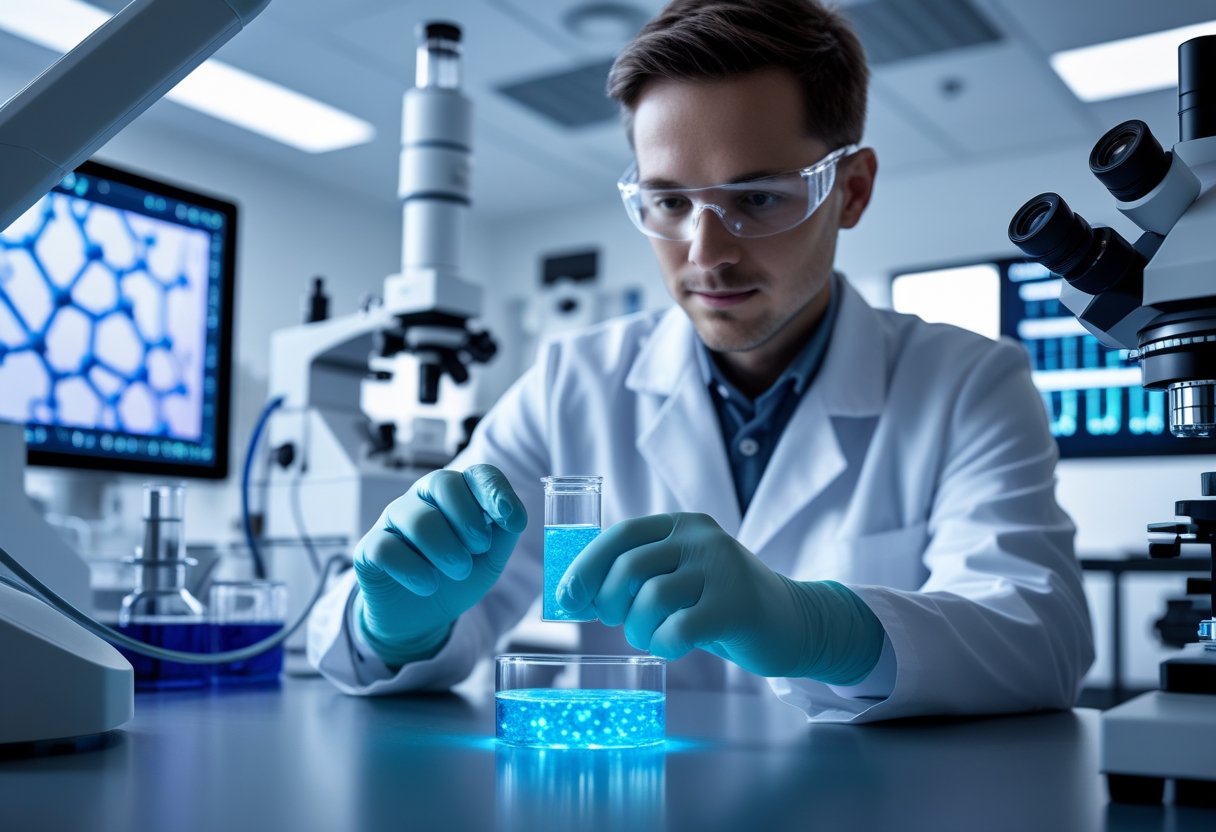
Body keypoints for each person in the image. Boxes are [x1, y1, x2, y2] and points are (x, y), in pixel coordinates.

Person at [308, 0, 1094, 722]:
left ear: (850, 191)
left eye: (757, 199)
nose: (705, 253)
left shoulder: (968, 383)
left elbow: (1040, 637)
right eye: (669, 201)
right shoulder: (570, 386)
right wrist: (398, 620)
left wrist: (821, 628)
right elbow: (387, 636)